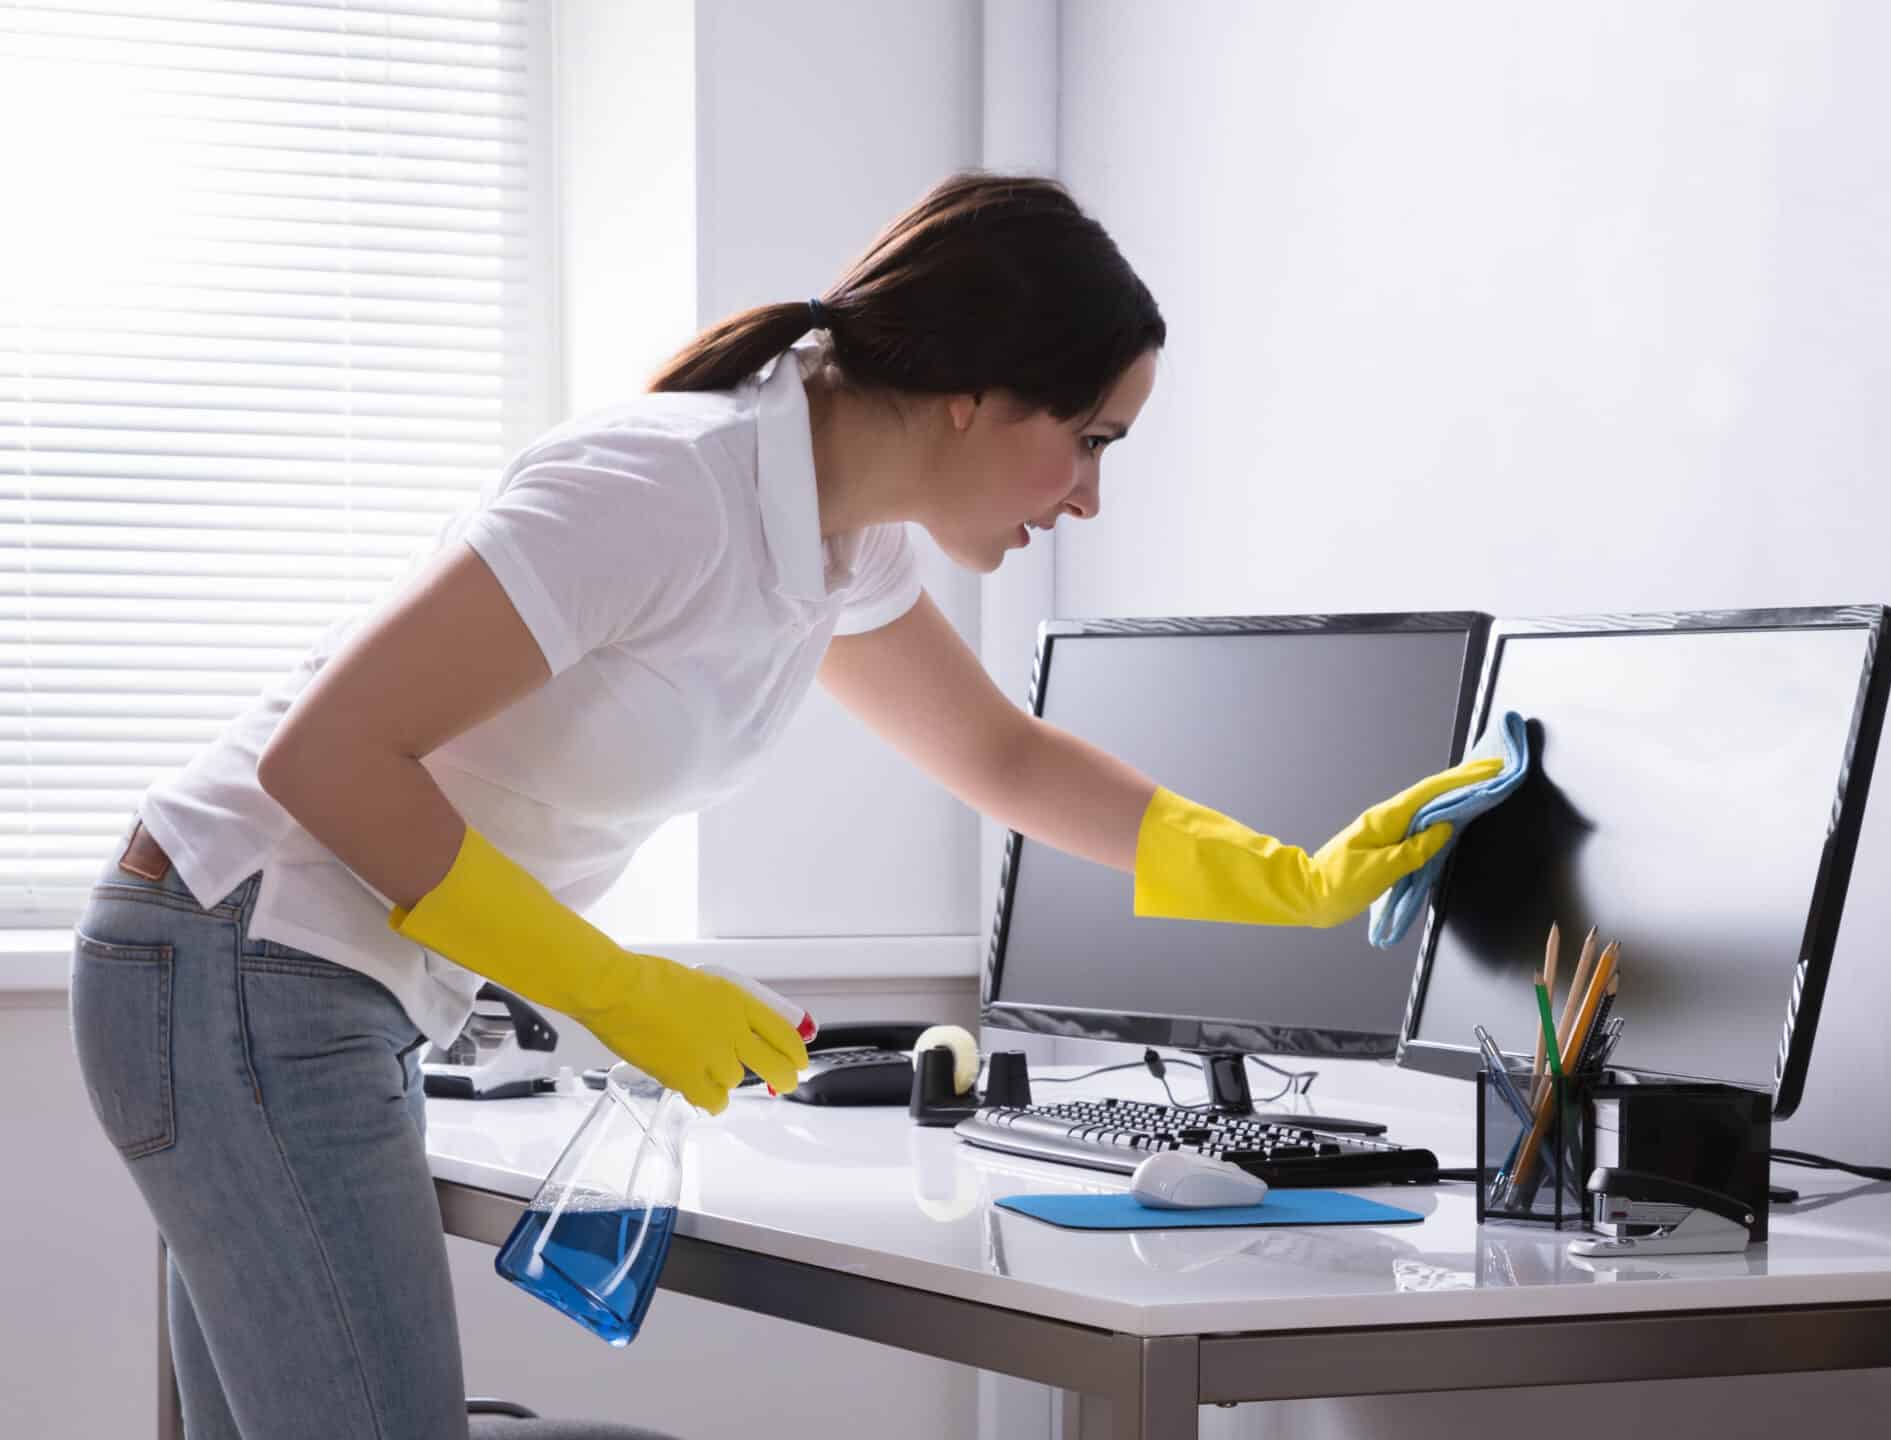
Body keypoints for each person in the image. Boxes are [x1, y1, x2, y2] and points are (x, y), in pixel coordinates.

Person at [65, 172, 1495, 1438]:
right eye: (1093, 438)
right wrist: (610, 988)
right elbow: (323, 759)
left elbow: (1002, 758)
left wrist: (1285, 877)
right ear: (977, 394)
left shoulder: (832, 545)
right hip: (237, 955)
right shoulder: (662, 488)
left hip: (293, 981)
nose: (1090, 497)